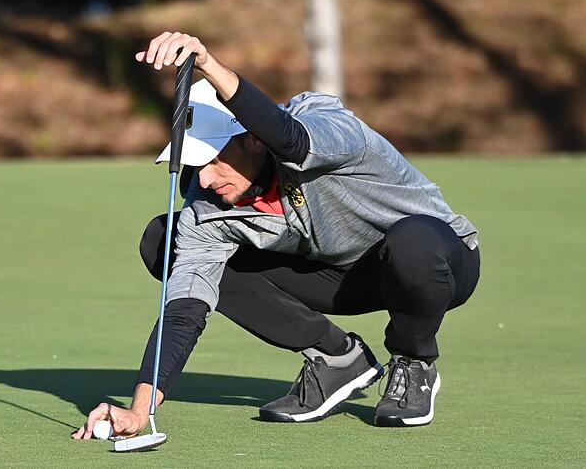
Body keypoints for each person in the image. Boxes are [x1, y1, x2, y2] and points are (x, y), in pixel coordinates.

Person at [73, 31, 480, 439]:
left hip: (436, 264)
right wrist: (139, 409)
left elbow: (290, 139)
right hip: (337, 278)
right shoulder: (208, 201)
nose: (205, 179)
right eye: (195, 166)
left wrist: (207, 64)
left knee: (413, 241)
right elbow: (184, 310)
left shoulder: (324, 122)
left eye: (212, 160)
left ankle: (413, 361)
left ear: (252, 140)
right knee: (164, 239)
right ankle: (337, 359)